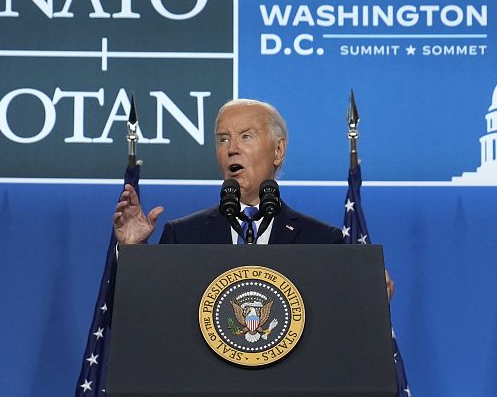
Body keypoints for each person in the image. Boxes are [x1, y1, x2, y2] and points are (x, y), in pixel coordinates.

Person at [113, 98, 395, 299]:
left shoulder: (321, 241)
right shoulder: (183, 236)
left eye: (245, 136)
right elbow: (138, 321)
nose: (232, 148)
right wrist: (132, 254)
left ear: (278, 151)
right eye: (222, 139)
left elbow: (340, 328)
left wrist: (370, 302)